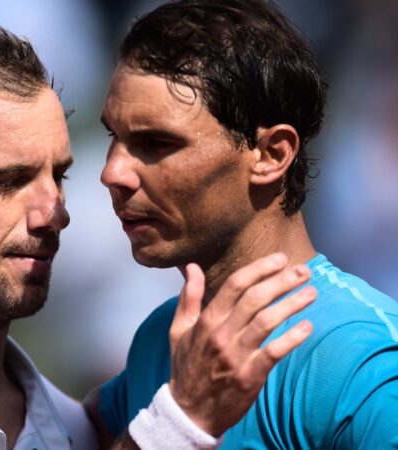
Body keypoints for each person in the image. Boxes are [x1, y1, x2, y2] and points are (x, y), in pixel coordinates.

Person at [0, 13, 317, 450]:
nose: (54, 212)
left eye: (58, 175)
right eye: (9, 180)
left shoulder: (72, 426)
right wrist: (180, 424)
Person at [85, 0, 398, 448]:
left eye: (156, 143)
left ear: (271, 155)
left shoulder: (362, 365)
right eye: (115, 137)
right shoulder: (161, 336)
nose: (113, 172)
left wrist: (177, 423)